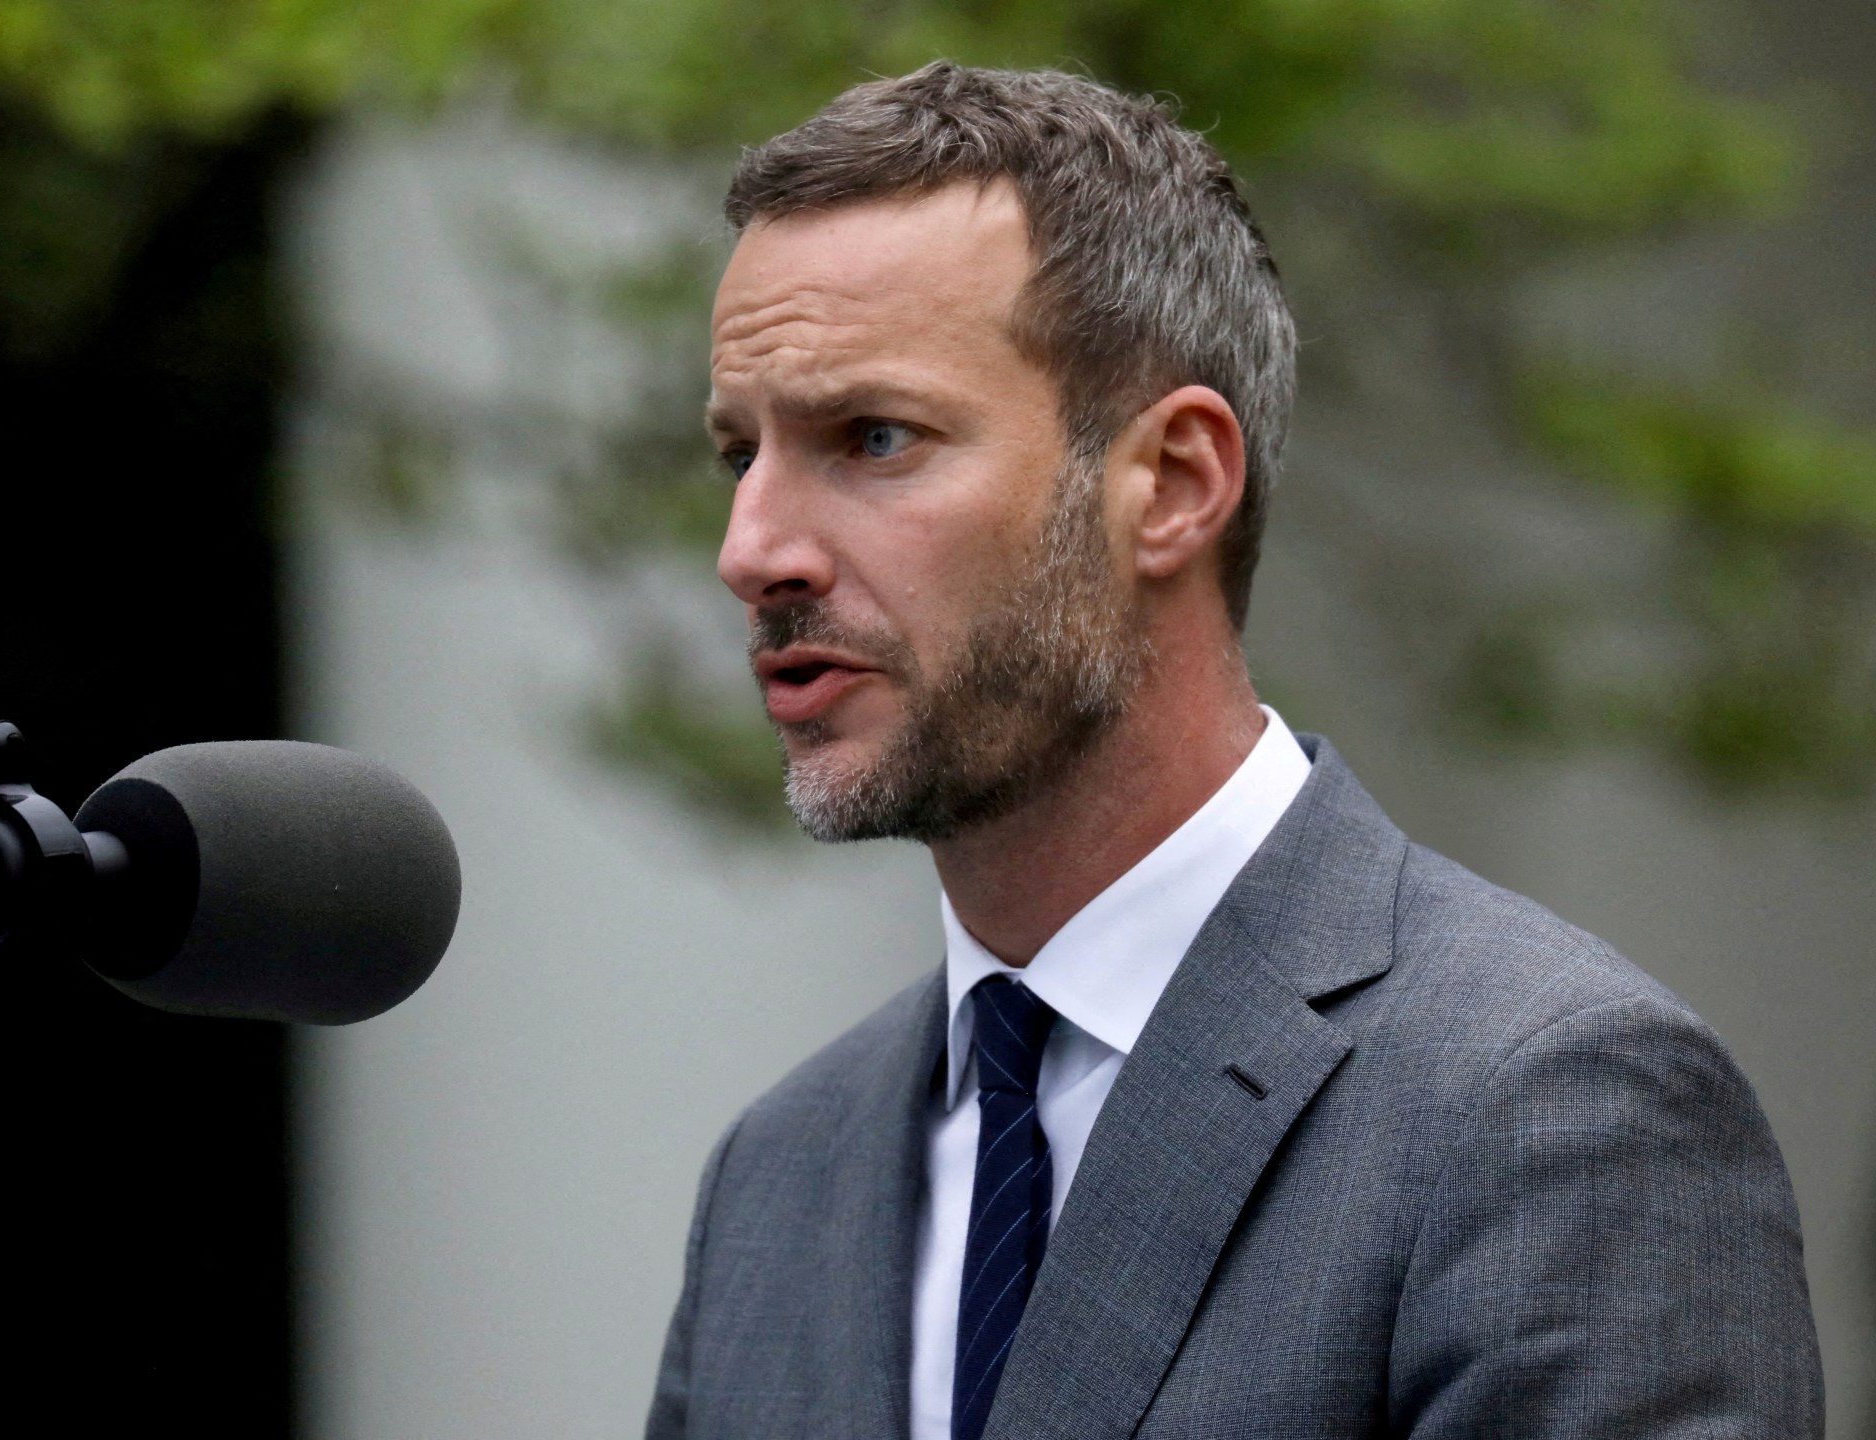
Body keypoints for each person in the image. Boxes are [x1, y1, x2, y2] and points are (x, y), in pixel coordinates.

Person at [647, 62, 1823, 1440]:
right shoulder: (781, 1176)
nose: (752, 551)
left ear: (1173, 484)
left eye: (874, 437)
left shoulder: (1544, 1107)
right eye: (740, 456)